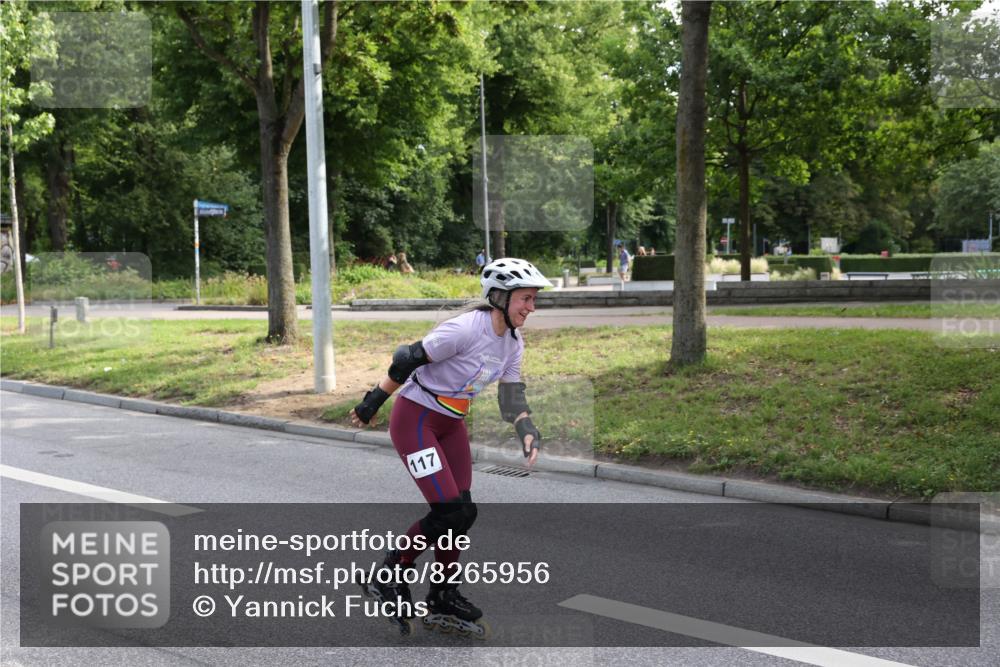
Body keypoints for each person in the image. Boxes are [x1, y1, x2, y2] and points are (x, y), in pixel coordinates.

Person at [349, 257, 552, 636]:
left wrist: (527, 428)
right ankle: (388, 574)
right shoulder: (464, 330)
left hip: (451, 422)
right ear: (500, 297)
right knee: (447, 511)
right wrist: (372, 402)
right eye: (525, 298)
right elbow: (407, 358)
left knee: (463, 512)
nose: (531, 307)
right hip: (416, 421)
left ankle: (443, 594)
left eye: (533, 299)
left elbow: (511, 397)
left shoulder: (512, 342)